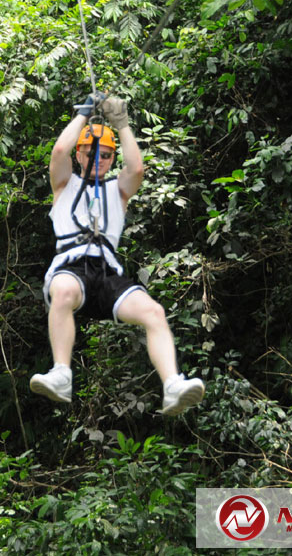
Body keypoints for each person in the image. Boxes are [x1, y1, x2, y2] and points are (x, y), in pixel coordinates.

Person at [30, 92, 205, 415]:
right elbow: (59, 151)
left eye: (106, 155)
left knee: (153, 312)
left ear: (112, 159)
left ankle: (172, 384)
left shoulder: (117, 190)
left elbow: (136, 168)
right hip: (72, 265)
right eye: (91, 152)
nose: (99, 158)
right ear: (80, 155)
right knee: (63, 290)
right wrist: (84, 113)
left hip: (107, 272)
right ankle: (61, 373)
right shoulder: (64, 184)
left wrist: (121, 123)